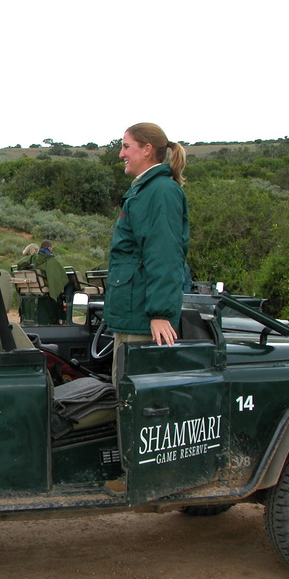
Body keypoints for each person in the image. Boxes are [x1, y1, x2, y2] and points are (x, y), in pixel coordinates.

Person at [105, 123, 189, 386]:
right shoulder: (145, 190)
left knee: (136, 397)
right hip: (133, 312)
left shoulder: (160, 191)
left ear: (147, 149)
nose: (121, 154)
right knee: (123, 389)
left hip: (144, 318)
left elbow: (164, 254)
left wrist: (160, 314)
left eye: (126, 146)